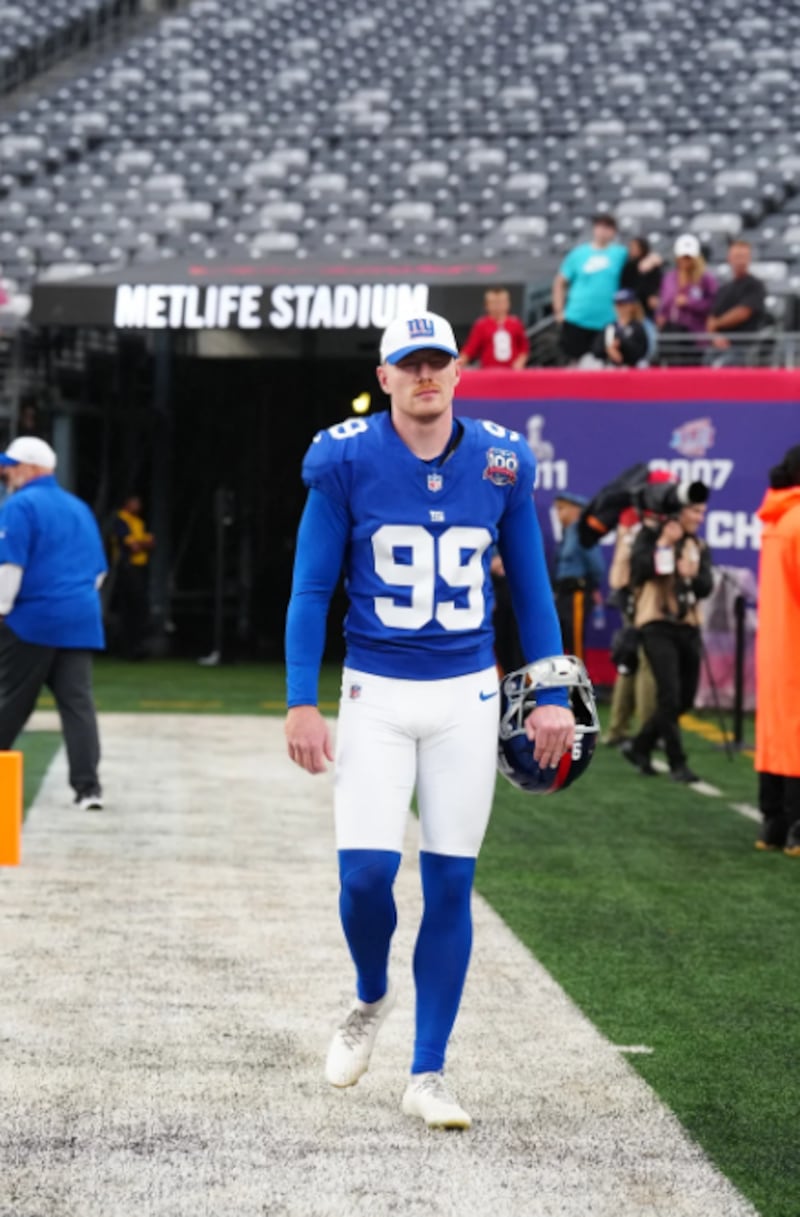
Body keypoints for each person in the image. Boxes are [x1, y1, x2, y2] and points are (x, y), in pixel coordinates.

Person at [284, 310, 575, 1130]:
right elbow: (311, 590)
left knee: (452, 882)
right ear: (384, 378)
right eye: (409, 364)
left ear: (458, 372)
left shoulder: (501, 459)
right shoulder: (344, 457)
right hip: (375, 691)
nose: (425, 376)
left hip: (465, 699)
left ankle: (428, 1069)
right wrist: (301, 699)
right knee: (366, 878)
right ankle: (370, 992)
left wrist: (550, 689)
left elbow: (531, 589)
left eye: (438, 362)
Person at [0, 437, 107, 810]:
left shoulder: (19, 506)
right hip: (80, 618)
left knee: (10, 700)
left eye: (10, 467)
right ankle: (88, 788)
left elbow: (9, 565)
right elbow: (98, 572)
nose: (6, 474)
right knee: (77, 706)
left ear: (29, 468)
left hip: (33, 619)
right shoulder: (78, 508)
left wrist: (2, 609)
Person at [621, 494, 712, 783]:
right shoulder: (649, 536)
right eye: (695, 511)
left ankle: (640, 745)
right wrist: (663, 545)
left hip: (688, 624)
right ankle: (677, 763)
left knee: (684, 698)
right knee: (669, 695)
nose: (699, 518)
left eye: (702, 512)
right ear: (679, 512)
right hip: (656, 623)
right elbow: (638, 572)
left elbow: (706, 586)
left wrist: (693, 575)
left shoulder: (698, 546)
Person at [753, 445, 800, 855]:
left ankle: (773, 823)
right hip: (794, 647)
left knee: (776, 734)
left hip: (775, 646)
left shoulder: (778, 518)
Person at [604, 509, 657, 746]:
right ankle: (647, 732)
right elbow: (622, 576)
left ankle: (618, 727)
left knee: (628, 664)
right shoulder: (639, 529)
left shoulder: (629, 523)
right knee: (645, 663)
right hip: (641, 601)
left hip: (632, 600)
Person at [551, 213, 628, 364]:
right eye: (600, 226)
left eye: (608, 227)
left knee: (605, 364)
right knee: (574, 363)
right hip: (577, 317)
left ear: (614, 231)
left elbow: (643, 260)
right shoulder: (578, 254)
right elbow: (560, 282)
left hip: (608, 319)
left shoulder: (620, 254)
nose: (603, 231)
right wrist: (559, 310)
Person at [551, 491, 606, 662]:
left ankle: (578, 686)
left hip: (578, 594)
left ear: (576, 510)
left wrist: (592, 586)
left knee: (575, 640)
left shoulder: (582, 533)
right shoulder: (568, 533)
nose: (558, 514)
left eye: (562, 509)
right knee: (562, 639)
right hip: (564, 594)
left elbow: (597, 566)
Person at [656, 235, 717, 363]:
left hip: (695, 335)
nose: (685, 261)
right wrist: (661, 316)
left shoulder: (705, 279)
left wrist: (689, 303)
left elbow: (713, 305)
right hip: (671, 334)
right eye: (683, 257)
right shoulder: (669, 278)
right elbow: (663, 303)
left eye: (689, 257)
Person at [706, 241, 767, 364]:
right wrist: (715, 336)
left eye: (743, 257)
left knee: (722, 366)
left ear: (749, 259)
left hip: (744, 347)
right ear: (729, 259)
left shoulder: (755, 285)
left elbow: (743, 312)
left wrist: (717, 324)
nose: (740, 261)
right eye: (737, 257)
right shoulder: (724, 288)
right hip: (718, 347)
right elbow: (710, 318)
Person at [111, 493, 154, 659]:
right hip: (126, 567)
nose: (138, 505)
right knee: (128, 608)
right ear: (127, 503)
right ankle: (126, 649)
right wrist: (142, 544)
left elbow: (150, 543)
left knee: (139, 608)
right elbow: (133, 546)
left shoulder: (139, 522)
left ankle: (138, 647)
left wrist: (141, 544)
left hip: (139, 567)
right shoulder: (121, 520)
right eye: (134, 502)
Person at [458, 287, 530, 369]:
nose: (498, 306)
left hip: (512, 373)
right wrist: (457, 366)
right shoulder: (481, 325)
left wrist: (520, 362)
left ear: (508, 304)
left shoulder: (516, 323)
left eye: (501, 302)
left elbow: (524, 348)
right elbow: (470, 349)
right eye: (494, 303)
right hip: (489, 372)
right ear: (487, 305)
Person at [583, 289, 649, 368]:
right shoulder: (610, 327)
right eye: (617, 304)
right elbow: (596, 349)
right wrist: (608, 350)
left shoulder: (637, 327)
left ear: (631, 306)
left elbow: (640, 351)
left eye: (623, 304)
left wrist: (621, 343)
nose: (620, 307)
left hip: (631, 367)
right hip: (610, 366)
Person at [620, 236, 663, 319]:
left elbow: (656, 283)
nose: (632, 249)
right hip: (630, 306)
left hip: (646, 308)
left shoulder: (652, 266)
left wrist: (654, 294)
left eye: (635, 247)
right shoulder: (628, 266)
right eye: (631, 247)